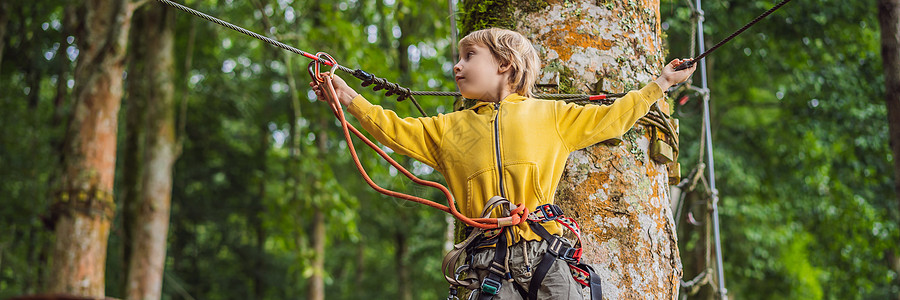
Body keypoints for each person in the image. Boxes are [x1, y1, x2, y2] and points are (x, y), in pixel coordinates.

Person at [311, 27, 696, 299]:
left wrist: (659, 84)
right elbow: (391, 127)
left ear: (505, 63)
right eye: (458, 58)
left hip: (544, 254)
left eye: (469, 56)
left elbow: (613, 116)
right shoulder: (448, 129)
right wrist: (347, 97)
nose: (457, 67)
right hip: (486, 265)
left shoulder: (552, 116)